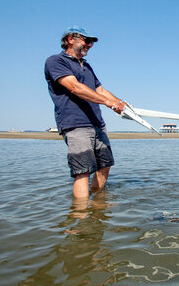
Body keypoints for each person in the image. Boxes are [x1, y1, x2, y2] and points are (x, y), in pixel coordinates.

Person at [45, 27, 125, 199]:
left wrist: (119, 103)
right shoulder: (56, 61)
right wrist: (109, 103)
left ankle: (98, 204)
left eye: (92, 42)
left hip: (97, 123)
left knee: (105, 164)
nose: (89, 45)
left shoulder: (86, 66)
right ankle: (81, 216)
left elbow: (100, 89)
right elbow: (75, 87)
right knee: (83, 170)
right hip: (75, 124)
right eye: (86, 40)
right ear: (70, 39)